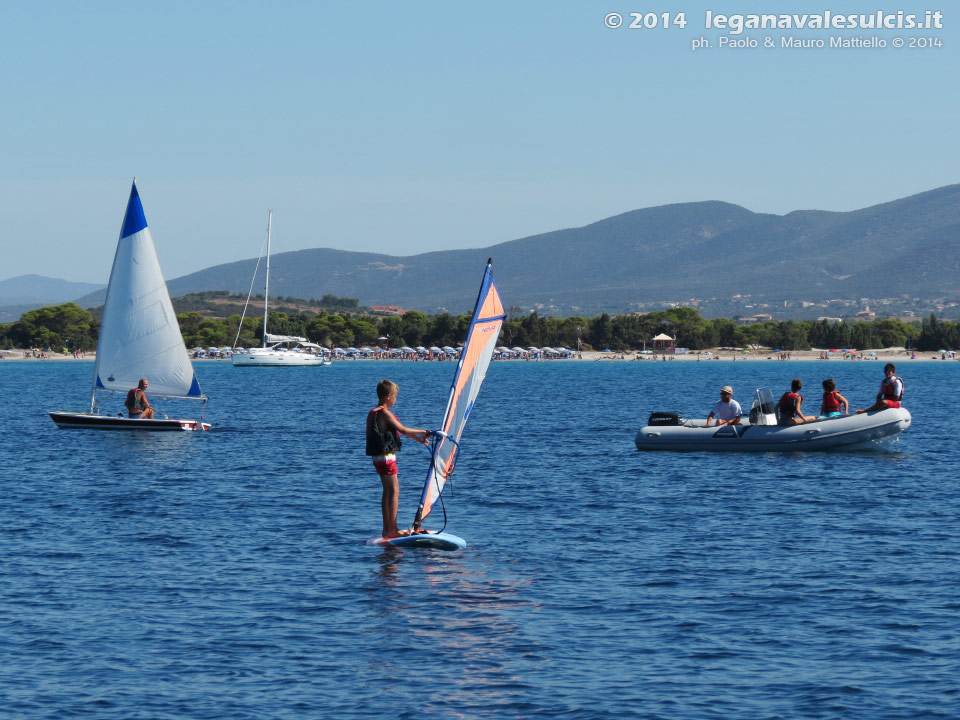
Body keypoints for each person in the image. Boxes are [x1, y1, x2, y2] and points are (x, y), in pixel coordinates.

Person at [366, 379, 430, 538]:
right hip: (387, 458)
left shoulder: (374, 411)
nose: (396, 399)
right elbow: (402, 428)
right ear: (388, 397)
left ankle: (387, 529)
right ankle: (392, 530)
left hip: (378, 457)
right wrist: (423, 430)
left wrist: (419, 439)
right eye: (395, 396)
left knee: (387, 491)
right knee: (394, 490)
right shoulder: (384, 412)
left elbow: (402, 432)